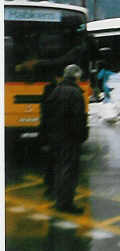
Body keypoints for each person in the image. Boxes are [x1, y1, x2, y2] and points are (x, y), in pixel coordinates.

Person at [45, 64, 89, 214]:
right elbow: (78, 118)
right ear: (76, 76)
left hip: (56, 137)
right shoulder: (75, 93)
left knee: (59, 169)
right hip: (69, 138)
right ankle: (66, 203)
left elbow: (47, 114)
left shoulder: (56, 90)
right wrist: (81, 136)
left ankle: (59, 200)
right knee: (69, 170)